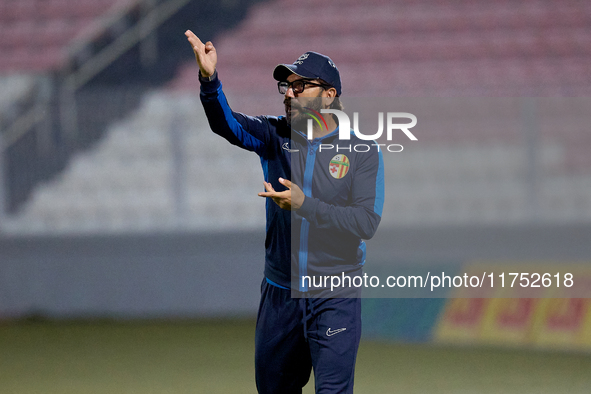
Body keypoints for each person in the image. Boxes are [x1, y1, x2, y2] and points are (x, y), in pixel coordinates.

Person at [185, 30, 384, 394]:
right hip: (279, 295)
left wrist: (304, 205)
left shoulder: (362, 151)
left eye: (301, 85)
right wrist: (209, 80)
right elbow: (225, 123)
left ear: (329, 95)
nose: (289, 93)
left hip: (334, 295)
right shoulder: (273, 134)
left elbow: (365, 223)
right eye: (286, 86)